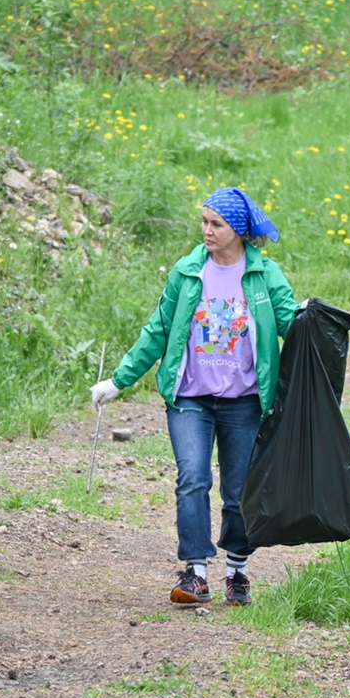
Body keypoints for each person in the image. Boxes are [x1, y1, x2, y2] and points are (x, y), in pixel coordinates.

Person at [90, 186, 299, 606]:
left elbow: (290, 324)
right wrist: (118, 381)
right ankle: (196, 573)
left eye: (216, 224)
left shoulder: (264, 275)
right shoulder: (188, 273)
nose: (206, 230)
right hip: (189, 399)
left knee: (239, 489)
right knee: (192, 480)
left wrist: (314, 322)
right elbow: (158, 331)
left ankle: (237, 572)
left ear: (238, 229)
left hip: (244, 401)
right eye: (203, 221)